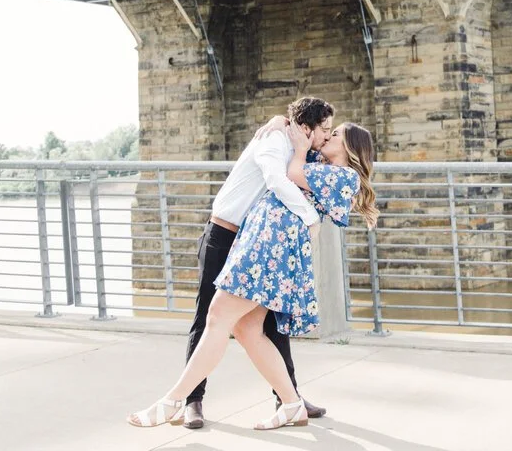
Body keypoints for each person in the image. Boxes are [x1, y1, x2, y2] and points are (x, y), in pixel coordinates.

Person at [128, 122, 378, 431]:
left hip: (270, 250)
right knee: (246, 328)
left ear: (350, 147)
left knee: (218, 316)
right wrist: (278, 121)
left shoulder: (343, 177)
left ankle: (173, 401)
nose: (327, 136)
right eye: (327, 130)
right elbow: (287, 148)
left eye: (335, 134)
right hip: (263, 244)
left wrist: (300, 149)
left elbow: (289, 173)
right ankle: (290, 404)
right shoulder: (319, 163)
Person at [175, 96, 334, 430]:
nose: (326, 137)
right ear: (306, 128)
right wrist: (309, 218)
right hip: (223, 235)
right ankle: (192, 401)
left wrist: (283, 119)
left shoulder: (298, 146)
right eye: (324, 130)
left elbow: (327, 164)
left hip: (256, 243)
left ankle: (288, 397)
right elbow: (276, 180)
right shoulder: (273, 140)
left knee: (274, 323)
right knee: (208, 317)